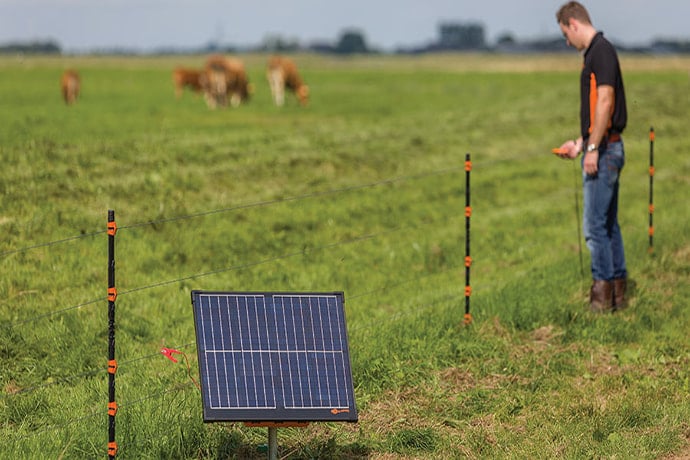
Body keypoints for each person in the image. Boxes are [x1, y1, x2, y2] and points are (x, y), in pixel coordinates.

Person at [555, 1, 628, 313]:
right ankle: (618, 296)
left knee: (595, 228)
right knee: (609, 224)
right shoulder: (600, 51)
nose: (567, 42)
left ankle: (601, 299)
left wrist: (594, 149)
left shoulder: (600, 51)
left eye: (565, 35)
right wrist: (581, 143)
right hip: (605, 144)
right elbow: (599, 107)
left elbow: (606, 101)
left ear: (573, 23)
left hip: (606, 149)